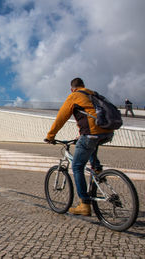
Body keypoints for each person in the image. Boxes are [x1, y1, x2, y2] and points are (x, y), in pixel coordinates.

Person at [44, 77, 114, 216]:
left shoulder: (74, 96)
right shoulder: (92, 94)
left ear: (72, 88)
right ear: (83, 85)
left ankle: (84, 204)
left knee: (77, 166)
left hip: (91, 134)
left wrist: (50, 135)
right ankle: (98, 171)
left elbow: (61, 118)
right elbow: (92, 116)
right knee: (90, 147)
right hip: (107, 133)